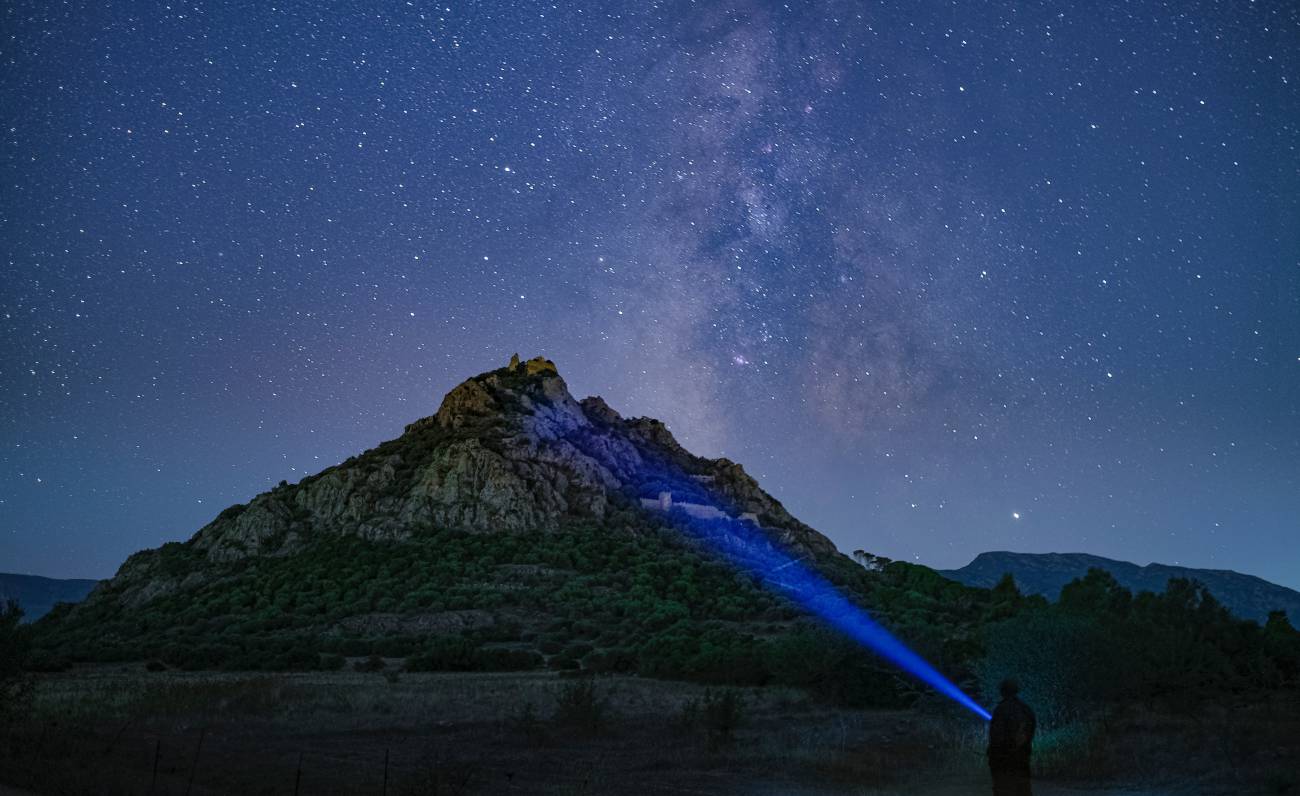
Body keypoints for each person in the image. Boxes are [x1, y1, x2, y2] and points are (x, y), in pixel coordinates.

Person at [987, 678, 1036, 796]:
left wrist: (993, 755)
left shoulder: (1001, 709)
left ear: (1002, 691)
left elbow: (996, 737)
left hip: (1004, 761)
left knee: (1004, 790)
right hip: (1023, 758)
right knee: (1023, 790)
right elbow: (1031, 731)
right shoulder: (1026, 709)